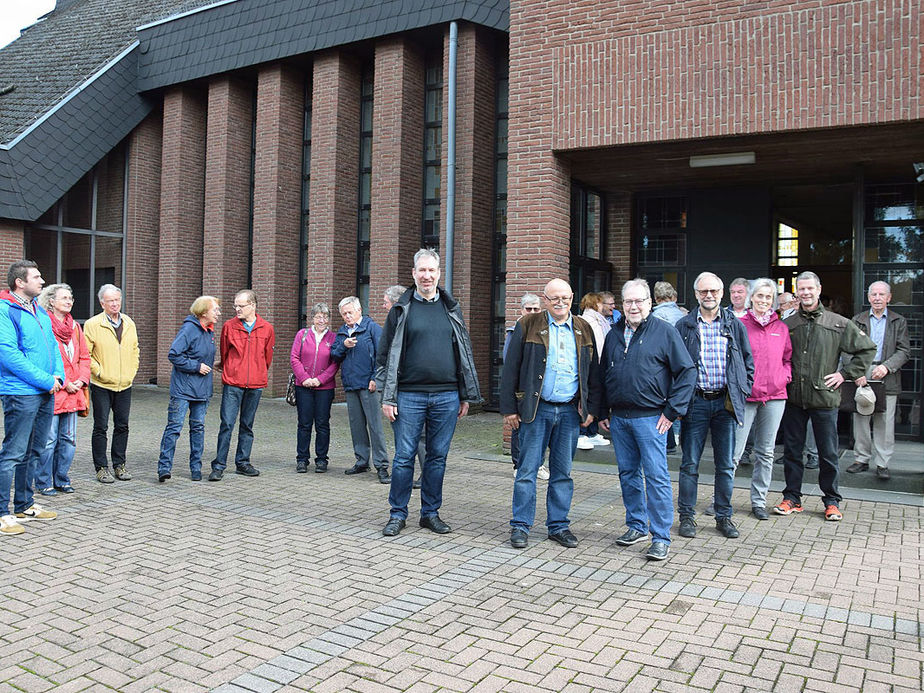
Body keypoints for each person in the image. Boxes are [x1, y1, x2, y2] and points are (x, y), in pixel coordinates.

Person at [377, 249, 481, 537]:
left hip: (446, 396)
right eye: (421, 270)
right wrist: (388, 396)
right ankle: (397, 514)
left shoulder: (451, 308)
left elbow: (463, 353)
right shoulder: (401, 309)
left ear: (438, 273)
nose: (426, 276)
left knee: (437, 457)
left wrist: (464, 394)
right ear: (413, 274)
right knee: (404, 457)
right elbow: (384, 356)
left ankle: (430, 513)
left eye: (431, 271)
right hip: (408, 396)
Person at [596, 279, 696, 562]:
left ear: (650, 303)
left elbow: (687, 372)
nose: (634, 306)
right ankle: (636, 526)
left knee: (656, 477)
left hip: (651, 419)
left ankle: (661, 537)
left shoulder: (664, 332)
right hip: (620, 420)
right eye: (628, 301)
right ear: (622, 304)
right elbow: (604, 375)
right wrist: (603, 411)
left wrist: (672, 411)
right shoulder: (614, 333)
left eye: (639, 301)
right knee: (628, 474)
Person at [501, 279, 601, 550]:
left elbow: (594, 373)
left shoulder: (583, 328)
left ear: (572, 298)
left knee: (562, 472)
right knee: (527, 470)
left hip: (569, 411)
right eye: (554, 298)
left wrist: (590, 407)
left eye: (565, 298)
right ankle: (520, 526)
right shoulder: (527, 325)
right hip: (536, 409)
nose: (560, 303)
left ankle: (558, 526)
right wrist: (509, 408)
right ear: (545, 300)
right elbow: (510, 368)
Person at [773, 271, 876, 521]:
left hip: (825, 399)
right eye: (802, 289)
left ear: (819, 290)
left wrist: (844, 374)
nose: (806, 293)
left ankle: (831, 501)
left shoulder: (838, 323)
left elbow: (867, 349)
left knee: (828, 453)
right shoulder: (788, 325)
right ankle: (792, 498)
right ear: (797, 293)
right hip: (794, 399)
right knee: (792, 452)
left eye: (810, 288)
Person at [675, 272, 754, 539]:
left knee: (725, 465)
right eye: (703, 291)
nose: (709, 296)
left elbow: (747, 362)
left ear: (722, 294)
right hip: (695, 403)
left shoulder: (735, 325)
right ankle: (687, 516)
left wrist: (743, 390)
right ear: (696, 294)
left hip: (725, 403)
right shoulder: (684, 325)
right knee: (689, 464)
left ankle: (724, 517)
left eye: (714, 291)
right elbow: (673, 365)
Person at [1, 261, 63, 536]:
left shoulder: (38, 310)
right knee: (13, 453)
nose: (42, 280)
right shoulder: (5, 311)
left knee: (34, 450)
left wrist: (58, 375)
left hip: (45, 391)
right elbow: (9, 355)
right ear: (19, 282)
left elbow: (52, 346)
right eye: (36, 277)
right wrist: (45, 380)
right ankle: (2, 513)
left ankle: (24, 504)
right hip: (20, 392)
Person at [731, 278, 791, 520]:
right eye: (760, 296)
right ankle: (722, 499)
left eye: (769, 297)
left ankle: (758, 501)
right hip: (747, 397)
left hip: (775, 396)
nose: (764, 301)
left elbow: (787, 359)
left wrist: (783, 377)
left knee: (765, 452)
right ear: (751, 298)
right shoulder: (739, 325)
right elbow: (732, 359)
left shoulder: (782, 328)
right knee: (734, 452)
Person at [207, 290, 275, 481]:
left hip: (255, 384)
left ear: (252, 305)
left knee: (247, 425)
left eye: (241, 306)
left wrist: (257, 371)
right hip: (233, 383)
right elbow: (225, 353)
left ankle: (243, 463)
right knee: (227, 424)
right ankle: (219, 465)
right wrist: (232, 369)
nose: (237, 309)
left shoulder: (267, 328)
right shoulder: (229, 326)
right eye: (235, 305)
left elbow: (267, 358)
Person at [847, 281, 910, 481]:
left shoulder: (898, 321)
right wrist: (856, 371)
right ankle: (861, 459)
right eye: (873, 294)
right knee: (861, 418)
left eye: (881, 294)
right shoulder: (857, 320)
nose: (877, 298)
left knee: (884, 421)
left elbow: (904, 351)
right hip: (862, 372)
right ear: (868, 297)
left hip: (887, 373)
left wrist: (887, 367)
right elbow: (847, 349)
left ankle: (882, 463)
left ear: (888, 298)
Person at [157, 296, 220, 482]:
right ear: (203, 312)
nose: (218, 313)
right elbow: (174, 354)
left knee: (198, 428)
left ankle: (196, 469)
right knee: (174, 428)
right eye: (215, 309)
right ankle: (164, 468)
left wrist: (213, 364)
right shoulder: (189, 329)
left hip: (202, 391)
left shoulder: (209, 332)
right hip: (183, 389)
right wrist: (196, 366)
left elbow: (199, 354)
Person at [36, 284, 90, 496]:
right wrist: (65, 381)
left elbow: (84, 357)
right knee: (49, 440)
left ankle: (61, 479)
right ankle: (43, 481)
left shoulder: (76, 327)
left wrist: (82, 380)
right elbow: (44, 359)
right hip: (54, 391)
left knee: (69, 439)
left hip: (74, 393)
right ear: (51, 301)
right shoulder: (43, 325)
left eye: (71, 298)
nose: (69, 301)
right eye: (64, 298)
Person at [84, 284, 140, 483]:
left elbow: (135, 350)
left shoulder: (129, 322)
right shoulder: (92, 324)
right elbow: (86, 355)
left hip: (124, 384)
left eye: (117, 300)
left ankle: (119, 465)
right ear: (102, 303)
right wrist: (99, 371)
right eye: (110, 301)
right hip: (101, 384)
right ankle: (101, 468)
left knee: (122, 425)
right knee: (101, 426)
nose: (115, 304)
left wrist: (132, 372)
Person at [331, 296, 389, 483]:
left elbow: (382, 356)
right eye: (344, 314)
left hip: (369, 386)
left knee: (375, 426)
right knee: (357, 426)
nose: (347, 316)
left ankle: (381, 465)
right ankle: (362, 461)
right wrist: (343, 346)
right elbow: (334, 355)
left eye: (350, 312)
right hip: (350, 385)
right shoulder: (342, 332)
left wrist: (375, 379)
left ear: (359, 310)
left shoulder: (372, 328)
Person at [502, 293, 548, 479]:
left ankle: (539, 465)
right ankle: (517, 463)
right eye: (528, 309)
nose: (532, 312)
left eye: (536, 308)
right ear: (521, 310)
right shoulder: (514, 332)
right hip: (522, 389)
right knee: (518, 428)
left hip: (540, 389)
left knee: (541, 431)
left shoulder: (545, 330)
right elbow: (509, 363)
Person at [290, 302, 339, 474]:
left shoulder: (334, 338)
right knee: (304, 424)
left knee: (322, 424)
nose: (322, 319)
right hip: (303, 387)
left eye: (325, 316)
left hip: (324, 388)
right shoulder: (302, 335)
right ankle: (302, 459)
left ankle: (321, 459)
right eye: (318, 316)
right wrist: (304, 378)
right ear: (312, 318)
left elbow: (335, 363)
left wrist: (320, 380)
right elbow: (294, 358)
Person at [385, 285, 425, 489]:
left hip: (412, 392)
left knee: (416, 438)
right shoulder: (393, 321)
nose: (384, 305)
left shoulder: (407, 319)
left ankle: (424, 475)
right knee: (407, 442)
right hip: (399, 390)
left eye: (386, 302)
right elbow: (385, 356)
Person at [650, 280, 687, 453]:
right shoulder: (683, 314)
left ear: (656, 299)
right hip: (682, 362)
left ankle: (669, 436)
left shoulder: (654, 318)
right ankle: (677, 434)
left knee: (665, 398)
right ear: (674, 296)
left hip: (663, 365)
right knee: (678, 395)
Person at [576, 292, 610, 450]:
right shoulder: (587, 321)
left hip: (600, 363)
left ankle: (592, 432)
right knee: (587, 397)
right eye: (601, 303)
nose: (604, 306)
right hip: (590, 364)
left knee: (598, 395)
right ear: (595, 304)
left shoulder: (600, 320)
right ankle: (582, 433)